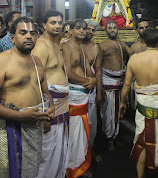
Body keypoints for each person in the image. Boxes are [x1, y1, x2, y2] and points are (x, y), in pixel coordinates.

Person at [0, 16, 54, 178]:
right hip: (11, 128)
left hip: (34, 127)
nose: (29, 36)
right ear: (12, 37)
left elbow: (44, 91)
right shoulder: (3, 61)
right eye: (23, 33)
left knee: (30, 171)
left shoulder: (36, 61)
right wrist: (20, 116)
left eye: (32, 33)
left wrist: (48, 111)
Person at [119, 28, 158, 178]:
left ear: (144, 42)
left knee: (141, 140)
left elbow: (127, 84)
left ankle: (140, 176)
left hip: (143, 105)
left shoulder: (134, 59)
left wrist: (122, 101)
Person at [32, 9, 70, 178]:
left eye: (59, 22)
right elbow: (36, 81)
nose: (57, 26)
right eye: (53, 22)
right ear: (44, 25)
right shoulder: (42, 46)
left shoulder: (56, 43)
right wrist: (45, 114)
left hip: (61, 103)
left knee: (58, 147)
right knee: (47, 151)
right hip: (50, 105)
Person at [61, 19, 97, 178]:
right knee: (74, 132)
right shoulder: (66, 46)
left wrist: (93, 79)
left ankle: (79, 164)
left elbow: (87, 68)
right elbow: (67, 73)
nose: (82, 31)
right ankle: (72, 168)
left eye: (84, 28)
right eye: (78, 28)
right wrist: (87, 81)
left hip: (83, 93)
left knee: (82, 130)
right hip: (74, 92)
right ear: (71, 30)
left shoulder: (82, 47)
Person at [99, 20, 130, 150]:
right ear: (105, 31)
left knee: (118, 111)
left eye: (114, 27)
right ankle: (108, 139)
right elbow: (97, 67)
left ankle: (115, 136)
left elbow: (131, 55)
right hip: (108, 81)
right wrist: (100, 87)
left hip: (120, 81)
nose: (112, 30)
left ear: (118, 29)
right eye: (110, 28)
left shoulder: (121, 44)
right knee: (108, 114)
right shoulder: (101, 45)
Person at [83, 19, 102, 161]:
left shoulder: (96, 48)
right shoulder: (74, 45)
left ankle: (91, 150)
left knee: (92, 124)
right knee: (79, 124)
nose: (89, 32)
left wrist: (99, 92)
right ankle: (79, 155)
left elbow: (98, 71)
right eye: (87, 29)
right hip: (76, 90)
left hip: (92, 91)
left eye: (93, 30)